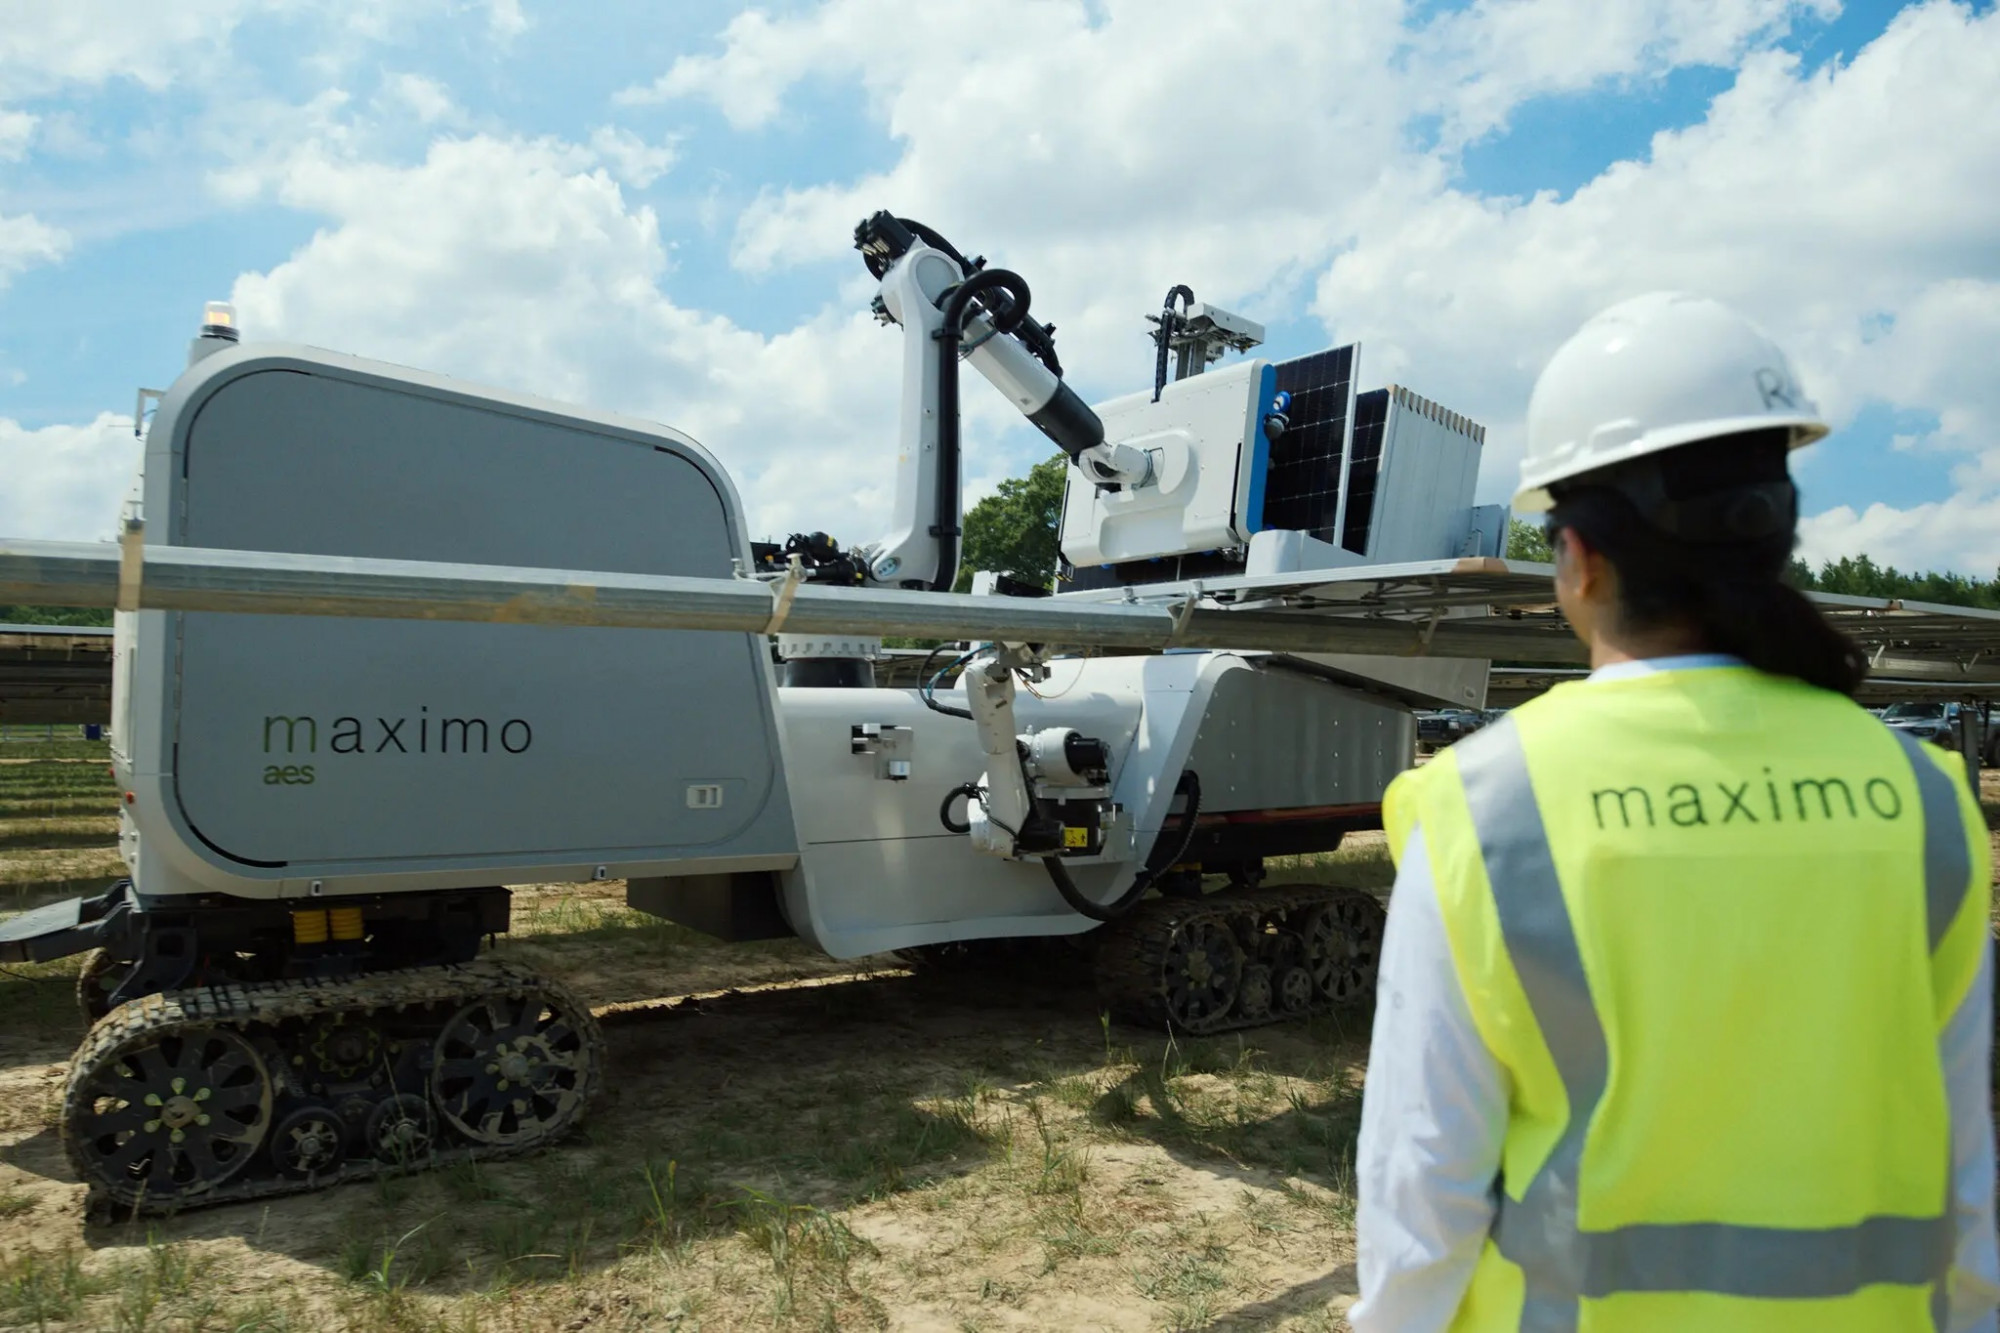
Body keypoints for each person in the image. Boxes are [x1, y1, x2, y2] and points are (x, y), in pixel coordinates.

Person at [1351, 292, 1998, 1331]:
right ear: (1775, 530)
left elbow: (1418, 1193)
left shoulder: (1487, 806)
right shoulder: (1921, 800)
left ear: (1576, 556)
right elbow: (1965, 1174)